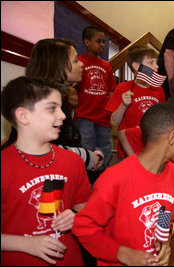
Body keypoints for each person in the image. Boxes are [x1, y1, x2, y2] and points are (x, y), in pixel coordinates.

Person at [72, 103, 174, 265]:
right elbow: (84, 227)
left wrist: (165, 242)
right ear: (172, 137)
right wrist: (121, 253)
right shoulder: (115, 178)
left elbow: (168, 220)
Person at [1, 77, 92, 265]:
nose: (63, 116)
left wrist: (77, 218)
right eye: (52, 108)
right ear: (23, 116)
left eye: (61, 107)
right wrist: (26, 243)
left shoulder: (73, 161)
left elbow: (90, 211)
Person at [2, 38, 104, 173]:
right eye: (75, 60)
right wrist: (88, 157)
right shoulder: (39, 102)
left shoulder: (61, 98)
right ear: (57, 65)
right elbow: (45, 148)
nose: (81, 64)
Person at [105, 45, 166, 161]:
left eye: (156, 62)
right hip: (128, 150)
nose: (157, 66)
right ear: (136, 66)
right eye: (151, 62)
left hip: (152, 149)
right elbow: (114, 122)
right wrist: (123, 105)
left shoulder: (159, 90)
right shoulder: (122, 88)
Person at [74, 26, 117, 170]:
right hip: (84, 116)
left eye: (104, 42)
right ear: (87, 42)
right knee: (86, 147)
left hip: (103, 117)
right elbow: (71, 85)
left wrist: (111, 112)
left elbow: (111, 90)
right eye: (98, 41)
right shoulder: (79, 62)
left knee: (105, 148)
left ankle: (101, 179)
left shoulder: (106, 66)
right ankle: (88, 180)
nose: (102, 45)